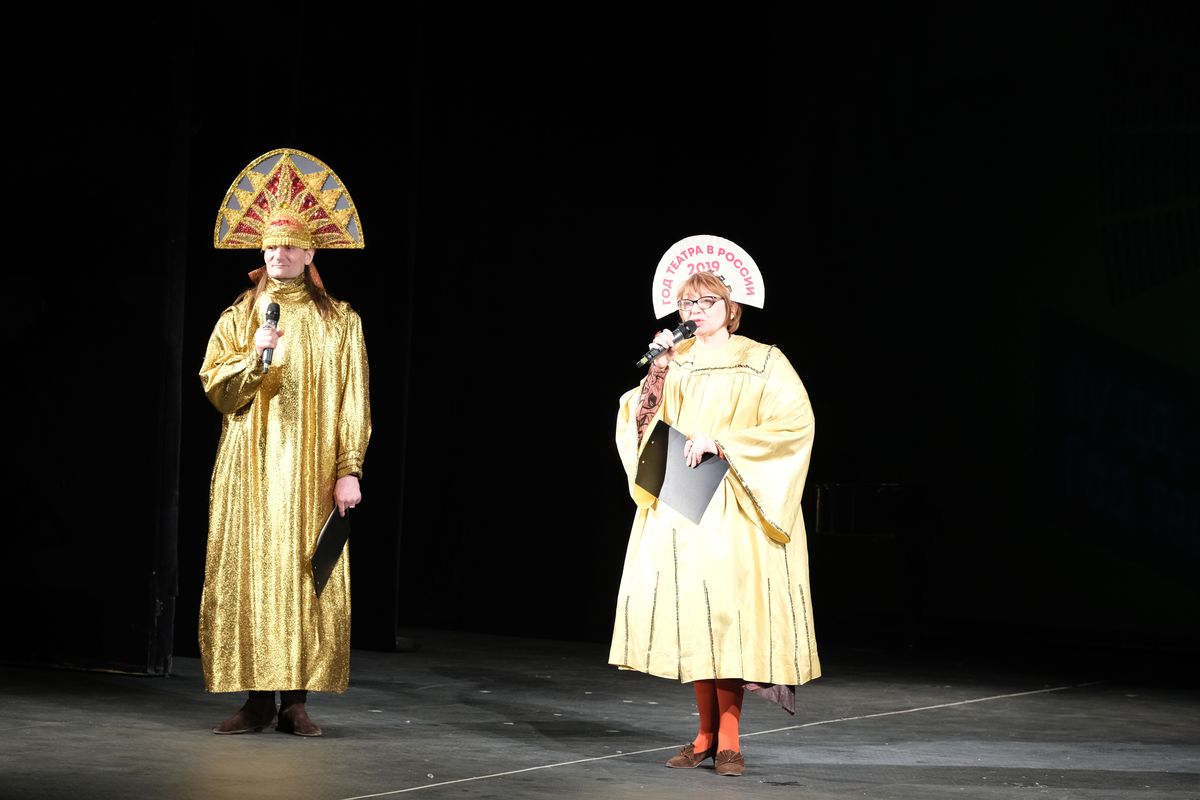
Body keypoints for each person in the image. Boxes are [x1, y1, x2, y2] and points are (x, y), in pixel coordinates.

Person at [609, 239, 819, 777]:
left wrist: (724, 442)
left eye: (707, 302)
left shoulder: (762, 360)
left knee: (728, 619)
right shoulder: (673, 361)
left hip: (738, 502)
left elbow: (794, 424)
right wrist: (658, 369)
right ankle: (703, 736)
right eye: (688, 303)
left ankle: (729, 739)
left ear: (731, 307)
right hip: (684, 502)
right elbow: (640, 422)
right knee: (696, 619)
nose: (696, 311)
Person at [199, 148, 371, 737]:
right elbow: (216, 389)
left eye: (292, 246)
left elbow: (353, 399)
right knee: (251, 570)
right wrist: (255, 355)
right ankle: (256, 700)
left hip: (311, 467)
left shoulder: (340, 321)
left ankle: (296, 701)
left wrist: (349, 468)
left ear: (311, 252)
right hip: (249, 465)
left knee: (304, 574)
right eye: (272, 246)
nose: (280, 255)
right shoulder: (239, 317)